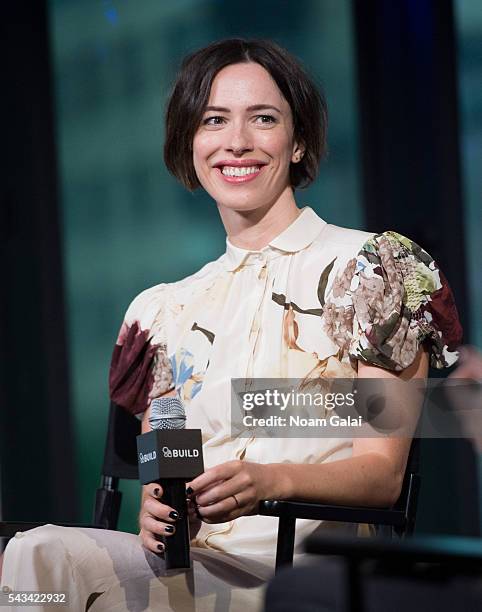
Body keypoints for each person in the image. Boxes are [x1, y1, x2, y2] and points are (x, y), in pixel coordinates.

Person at [0, 38, 462, 612]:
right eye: (214, 120)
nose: (236, 141)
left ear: (297, 142)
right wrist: (156, 509)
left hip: (305, 572)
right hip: (191, 566)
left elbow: (380, 476)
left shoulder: (370, 269)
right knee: (33, 558)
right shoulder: (161, 311)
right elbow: (164, 471)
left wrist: (268, 479)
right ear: (189, 142)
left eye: (263, 119)